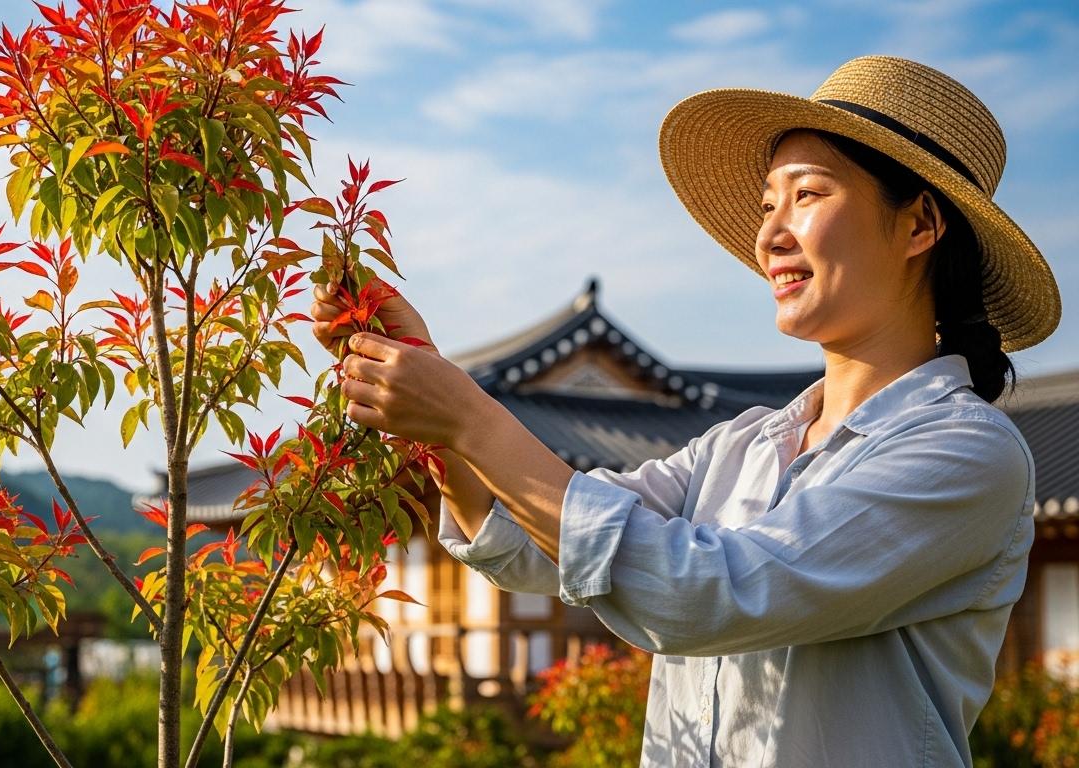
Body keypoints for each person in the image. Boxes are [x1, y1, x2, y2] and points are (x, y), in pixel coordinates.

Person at [308, 55, 1062, 767]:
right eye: (768, 204)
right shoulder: (741, 445)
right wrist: (434, 419)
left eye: (807, 195)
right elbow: (543, 546)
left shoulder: (966, 452)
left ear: (920, 224)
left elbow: (709, 594)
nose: (770, 235)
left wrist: (471, 418)